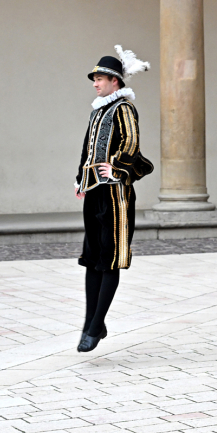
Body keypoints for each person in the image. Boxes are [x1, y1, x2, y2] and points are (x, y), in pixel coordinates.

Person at [75, 46, 154, 352]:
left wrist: (117, 167)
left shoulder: (124, 109)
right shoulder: (98, 110)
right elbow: (87, 148)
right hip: (94, 192)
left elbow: (132, 144)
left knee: (110, 259)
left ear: (115, 81)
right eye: (94, 78)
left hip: (116, 194)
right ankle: (89, 322)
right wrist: (81, 180)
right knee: (92, 259)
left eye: (101, 78)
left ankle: (96, 326)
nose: (95, 82)